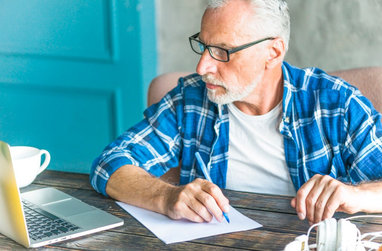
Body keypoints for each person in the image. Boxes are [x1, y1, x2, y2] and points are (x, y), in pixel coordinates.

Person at [90, 0, 382, 226]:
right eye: (204, 46)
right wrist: (166, 196)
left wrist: (357, 194)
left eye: (222, 51)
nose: (202, 67)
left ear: (273, 53)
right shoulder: (191, 99)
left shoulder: (336, 104)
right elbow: (110, 164)